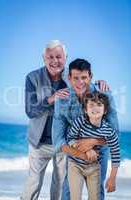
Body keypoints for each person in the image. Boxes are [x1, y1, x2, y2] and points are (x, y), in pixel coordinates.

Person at [52, 58, 119, 200]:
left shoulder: (105, 94)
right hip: (74, 147)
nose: (80, 82)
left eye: (84, 77)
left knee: (96, 190)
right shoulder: (62, 99)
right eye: (75, 78)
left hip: (101, 150)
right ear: (69, 78)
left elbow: (115, 134)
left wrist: (92, 141)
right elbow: (58, 141)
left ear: (91, 77)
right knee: (68, 189)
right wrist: (81, 152)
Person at [21, 40, 70, 200]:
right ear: (43, 58)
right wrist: (51, 98)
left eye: (59, 56)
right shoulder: (32, 77)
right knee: (33, 184)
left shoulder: (72, 76)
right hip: (39, 142)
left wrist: (100, 83)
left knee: (60, 185)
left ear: (65, 57)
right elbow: (30, 111)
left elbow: (87, 84)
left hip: (63, 143)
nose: (55, 61)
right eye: (50, 57)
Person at [67, 91, 120, 200]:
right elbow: (70, 139)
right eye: (91, 105)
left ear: (105, 111)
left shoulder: (109, 131)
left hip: (94, 167)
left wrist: (112, 178)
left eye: (99, 104)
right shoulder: (80, 122)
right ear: (86, 110)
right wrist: (86, 151)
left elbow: (115, 154)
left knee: (95, 197)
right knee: (75, 197)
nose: (95, 108)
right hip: (75, 165)